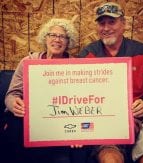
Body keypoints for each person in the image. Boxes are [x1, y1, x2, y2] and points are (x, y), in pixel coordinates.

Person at [78, 2, 143, 163]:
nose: (106, 28)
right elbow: (78, 94)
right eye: (102, 23)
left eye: (112, 22)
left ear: (123, 24)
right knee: (111, 160)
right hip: (107, 127)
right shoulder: (88, 54)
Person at [4, 17, 88, 163]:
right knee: (14, 129)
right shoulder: (28, 62)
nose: (57, 39)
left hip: (62, 120)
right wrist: (14, 104)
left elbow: (83, 100)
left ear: (68, 42)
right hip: (30, 119)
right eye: (53, 35)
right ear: (45, 37)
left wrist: (78, 131)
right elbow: (12, 94)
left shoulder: (76, 65)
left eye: (63, 36)